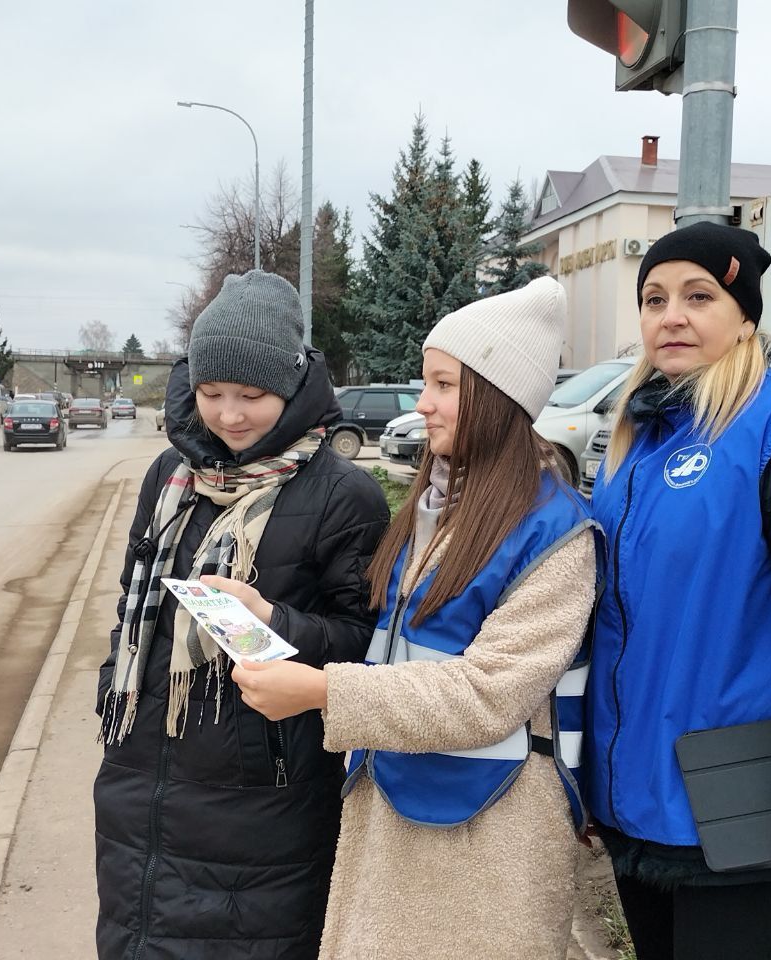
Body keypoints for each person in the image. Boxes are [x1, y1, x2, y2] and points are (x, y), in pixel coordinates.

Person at [232, 277, 600, 960]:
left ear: (498, 397)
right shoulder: (439, 506)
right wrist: (271, 618)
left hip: (492, 836)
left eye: (443, 385)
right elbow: (394, 648)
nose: (422, 403)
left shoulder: (558, 535)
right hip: (399, 809)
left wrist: (320, 692)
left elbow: (488, 694)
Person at [586, 222, 771, 960]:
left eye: (699, 295)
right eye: (654, 298)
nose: (672, 315)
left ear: (745, 314)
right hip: (638, 796)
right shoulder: (637, 440)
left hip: (743, 804)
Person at [92, 270, 390, 960]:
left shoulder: (344, 494)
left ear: (290, 387)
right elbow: (134, 597)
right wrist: (115, 681)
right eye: (211, 392)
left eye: (250, 395)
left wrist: (275, 619)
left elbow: (367, 645)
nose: (228, 415)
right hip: (140, 777)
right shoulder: (170, 475)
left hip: (263, 802)